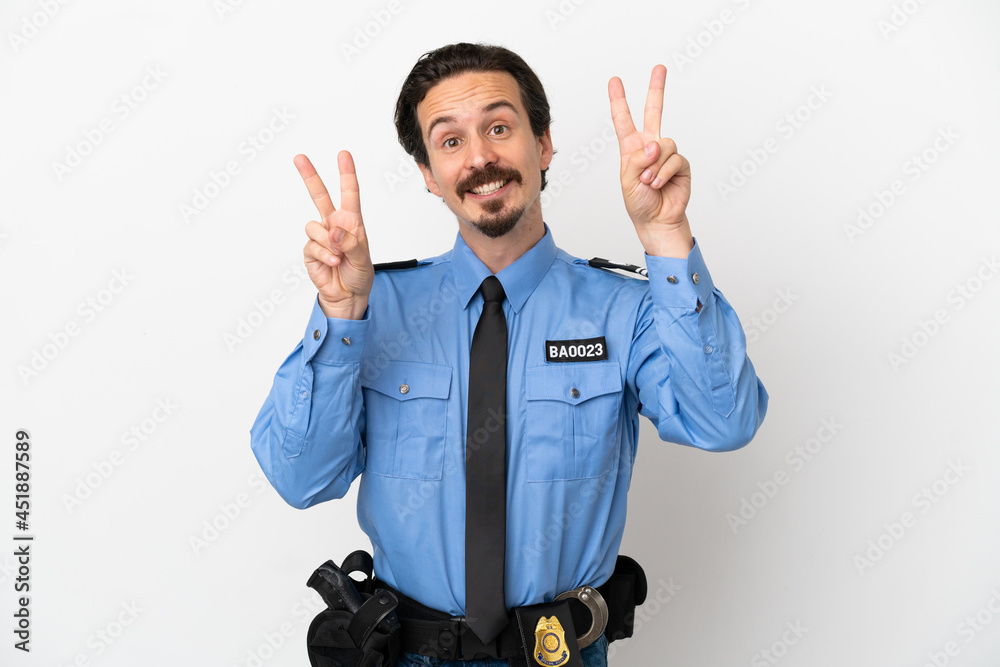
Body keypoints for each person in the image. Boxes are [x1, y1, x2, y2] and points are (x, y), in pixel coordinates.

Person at [251, 42, 768, 667]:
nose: (479, 158)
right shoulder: (371, 307)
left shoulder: (624, 310)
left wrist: (666, 238)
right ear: (426, 173)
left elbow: (724, 422)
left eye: (499, 127)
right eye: (448, 141)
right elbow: (301, 479)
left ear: (543, 144)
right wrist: (339, 320)